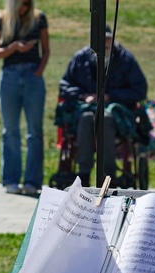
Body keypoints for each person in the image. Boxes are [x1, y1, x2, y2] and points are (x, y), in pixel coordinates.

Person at [59, 27, 147, 186]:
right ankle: (83, 173)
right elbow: (65, 85)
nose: (104, 44)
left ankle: (109, 173)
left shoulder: (125, 60)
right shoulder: (80, 58)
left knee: (105, 119)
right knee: (87, 118)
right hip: (86, 108)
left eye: (107, 39)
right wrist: (83, 96)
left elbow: (139, 89)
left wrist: (110, 96)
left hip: (115, 110)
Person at [0, 0, 49, 195]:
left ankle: (33, 181)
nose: (25, 8)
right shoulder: (1, 19)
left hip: (33, 75)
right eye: (21, 3)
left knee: (34, 131)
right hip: (10, 76)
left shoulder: (39, 18)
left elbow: (47, 49)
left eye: (28, 3)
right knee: (10, 130)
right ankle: (10, 180)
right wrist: (15, 47)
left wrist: (39, 71)